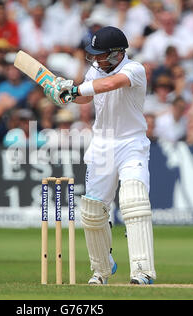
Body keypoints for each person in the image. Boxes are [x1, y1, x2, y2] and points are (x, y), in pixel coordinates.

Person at [44, 26, 156, 285]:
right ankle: (101, 270)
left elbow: (109, 84)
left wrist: (76, 90)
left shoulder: (134, 69)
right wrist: (64, 94)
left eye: (101, 55)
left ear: (117, 54)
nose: (95, 60)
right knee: (93, 212)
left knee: (133, 202)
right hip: (102, 145)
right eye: (93, 55)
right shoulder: (95, 70)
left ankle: (142, 271)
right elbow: (86, 96)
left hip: (131, 144)